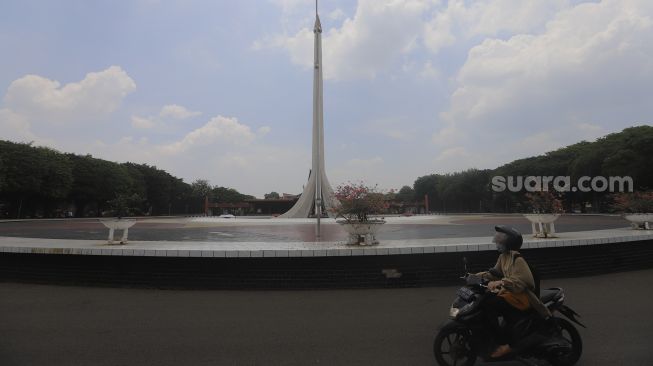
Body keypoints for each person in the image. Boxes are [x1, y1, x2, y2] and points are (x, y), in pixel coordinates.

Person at [476, 225, 550, 358]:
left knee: (489, 303)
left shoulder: (518, 259)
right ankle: (494, 337)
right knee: (485, 301)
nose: (497, 243)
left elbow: (525, 281)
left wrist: (501, 282)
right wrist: (477, 276)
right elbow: (495, 273)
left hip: (522, 298)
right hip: (511, 294)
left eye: (500, 241)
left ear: (508, 243)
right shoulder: (503, 257)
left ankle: (504, 342)